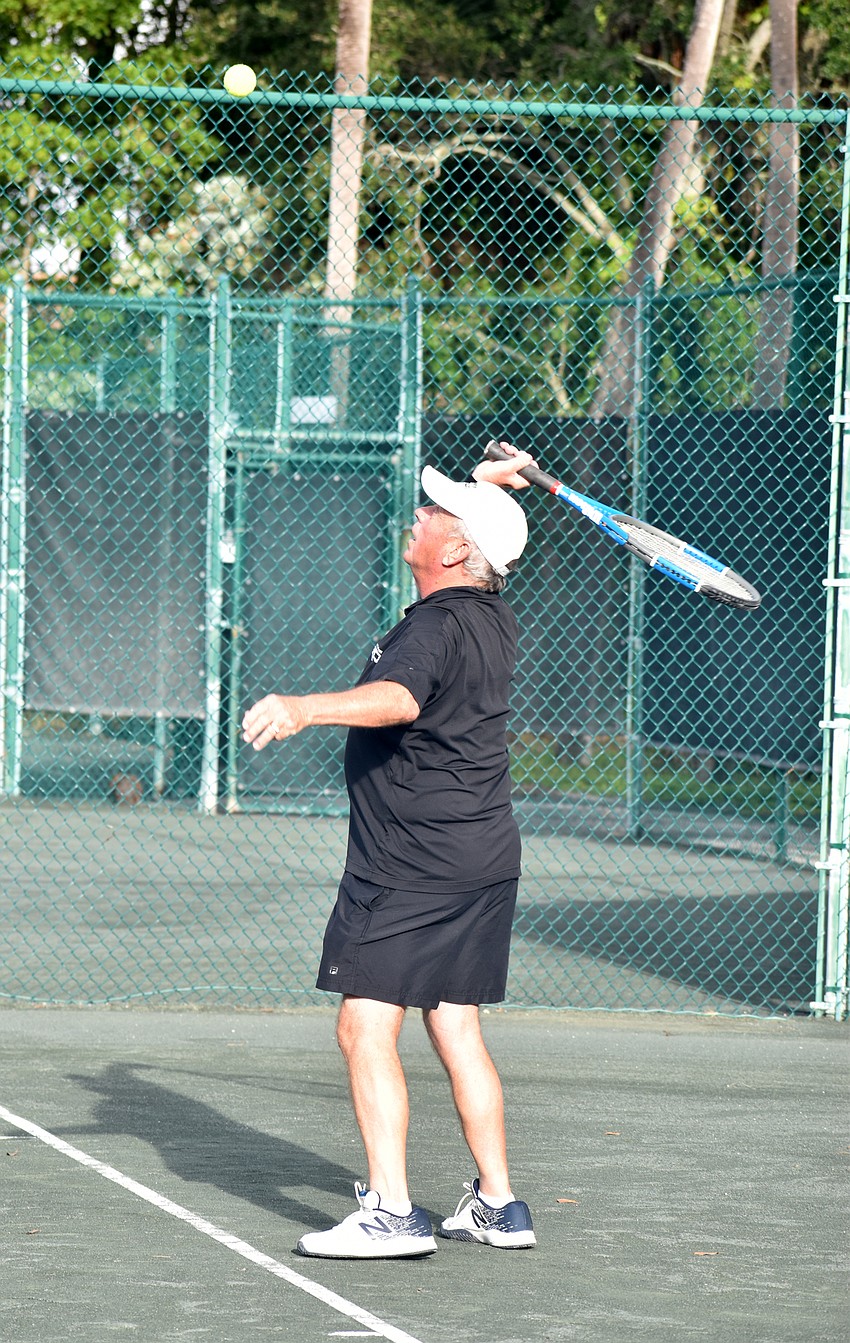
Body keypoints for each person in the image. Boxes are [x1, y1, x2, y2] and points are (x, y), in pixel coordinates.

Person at [241, 443, 537, 1259]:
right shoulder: (490, 613)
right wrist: (484, 487)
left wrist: (304, 707)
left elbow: (398, 698)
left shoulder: (435, 624)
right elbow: (488, 546)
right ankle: (498, 1203)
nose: (421, 512)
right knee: (455, 1024)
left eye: (437, 511)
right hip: (481, 854)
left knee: (363, 1026)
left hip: (411, 862)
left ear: (451, 551)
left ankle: (393, 1213)